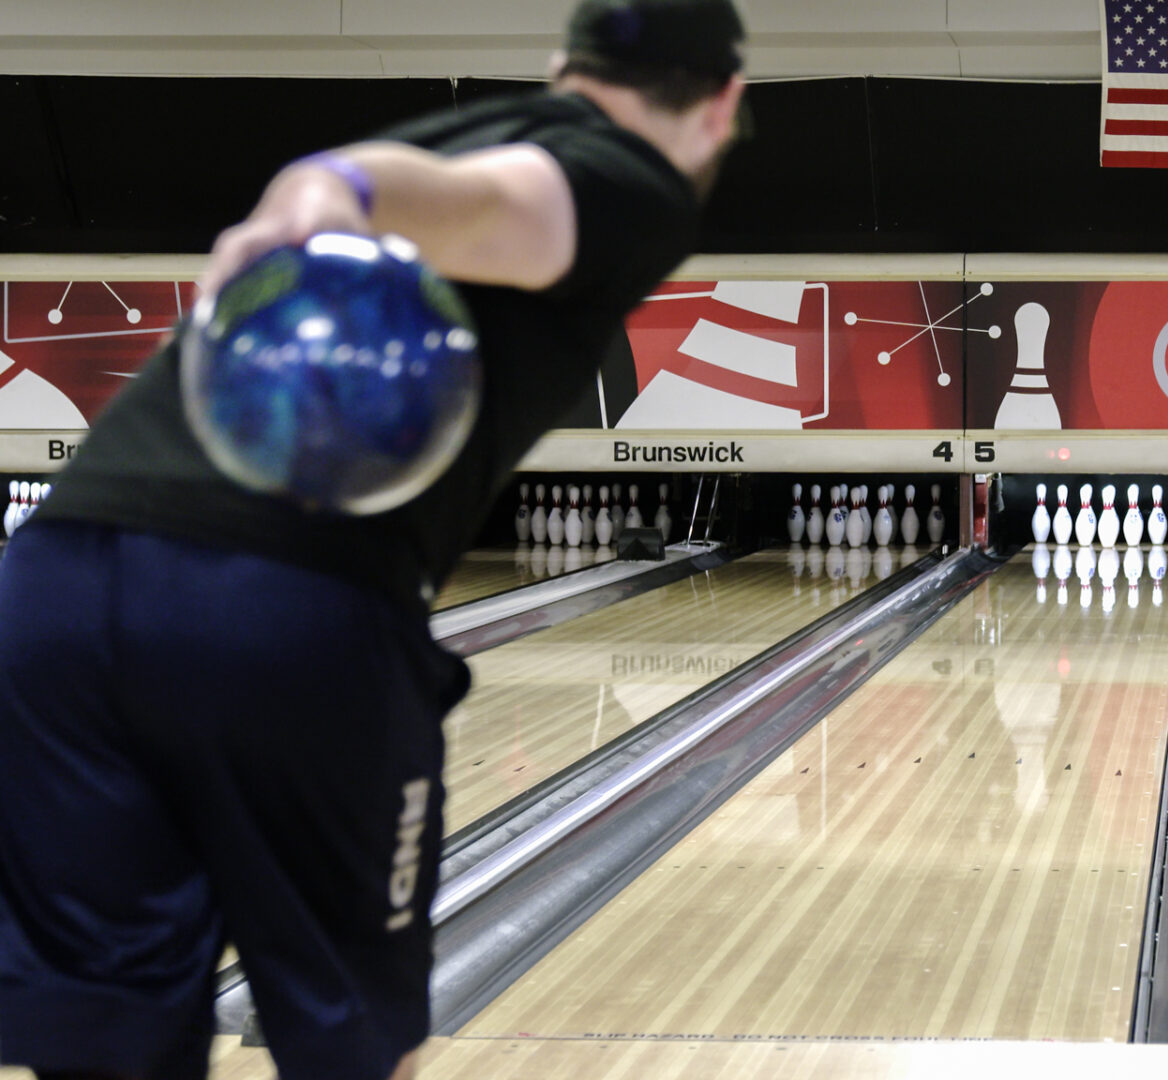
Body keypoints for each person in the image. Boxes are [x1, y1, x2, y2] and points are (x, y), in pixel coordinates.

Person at [0, 2, 745, 1078]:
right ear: (723, 103)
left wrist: (322, 187)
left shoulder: (469, 127)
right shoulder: (632, 181)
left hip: (55, 580)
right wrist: (340, 197)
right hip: (276, 599)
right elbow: (494, 205)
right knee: (345, 1037)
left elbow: (392, 177)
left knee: (101, 1040)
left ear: (561, 66)